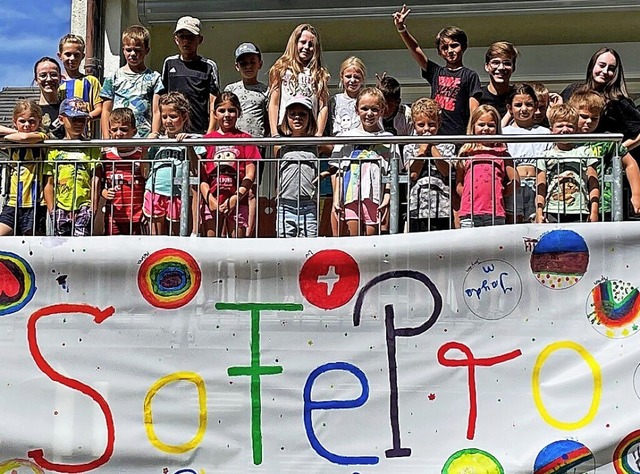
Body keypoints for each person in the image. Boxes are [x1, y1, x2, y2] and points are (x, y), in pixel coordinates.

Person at [393, 5, 482, 136]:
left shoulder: (470, 75)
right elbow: (415, 49)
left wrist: (472, 137)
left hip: (459, 136)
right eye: (445, 47)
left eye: (454, 46)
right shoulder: (435, 72)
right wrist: (401, 29)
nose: (450, 51)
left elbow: (474, 110)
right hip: (434, 134)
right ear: (440, 52)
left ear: (463, 47)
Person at [330, 87, 398, 236]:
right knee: (353, 238)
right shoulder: (345, 136)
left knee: (371, 239)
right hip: (350, 194)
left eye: (374, 109)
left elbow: (392, 173)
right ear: (357, 110)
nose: (369, 113)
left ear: (382, 111)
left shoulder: (389, 139)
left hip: (375, 196)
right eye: (364, 108)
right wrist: (336, 198)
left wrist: (387, 197)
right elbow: (339, 171)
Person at [568, 89, 640, 219]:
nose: (589, 121)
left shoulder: (605, 141)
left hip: (604, 206)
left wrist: (636, 195)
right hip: (571, 206)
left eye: (594, 118)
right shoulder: (563, 140)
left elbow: (630, 164)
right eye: (584, 117)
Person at [561, 47, 640, 159]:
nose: (605, 71)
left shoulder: (617, 100)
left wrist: (616, 151)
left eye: (611, 68)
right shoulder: (572, 90)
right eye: (602, 65)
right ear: (592, 66)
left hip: (601, 163)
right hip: (570, 155)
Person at [200, 92, 261, 238]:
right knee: (211, 246)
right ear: (215, 114)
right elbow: (201, 176)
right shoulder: (207, 139)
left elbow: (250, 174)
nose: (227, 115)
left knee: (236, 248)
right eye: (222, 110)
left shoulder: (246, 139)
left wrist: (235, 199)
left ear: (238, 112)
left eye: (231, 110)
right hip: (212, 201)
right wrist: (211, 201)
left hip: (238, 201)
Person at [224, 42, 268, 237]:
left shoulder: (266, 91)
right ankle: (228, 227)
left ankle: (249, 233)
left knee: (250, 189)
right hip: (232, 145)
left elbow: (269, 119)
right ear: (236, 66)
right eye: (243, 63)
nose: (248, 66)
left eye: (252, 61)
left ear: (260, 63)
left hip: (255, 146)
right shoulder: (231, 89)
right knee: (229, 186)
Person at [144, 92, 201, 236]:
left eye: (173, 116)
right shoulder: (156, 143)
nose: (168, 121)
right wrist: (144, 146)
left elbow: (197, 170)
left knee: (176, 236)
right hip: (155, 191)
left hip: (178, 194)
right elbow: (144, 172)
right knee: (155, 236)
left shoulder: (193, 140)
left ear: (184, 117)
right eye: (164, 117)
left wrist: (189, 146)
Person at [44, 98, 101, 236]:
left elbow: (96, 180)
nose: (79, 123)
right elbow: (48, 183)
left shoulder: (92, 148)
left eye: (82, 119)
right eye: (74, 119)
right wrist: (52, 210)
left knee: (81, 248)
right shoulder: (54, 149)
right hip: (60, 206)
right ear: (62, 119)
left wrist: (93, 208)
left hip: (84, 206)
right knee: (61, 248)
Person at [277, 95, 332, 238]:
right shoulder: (280, 144)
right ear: (286, 118)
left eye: (302, 114)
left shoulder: (317, 144)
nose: (297, 118)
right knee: (285, 247)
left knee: (309, 246)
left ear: (310, 118)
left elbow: (339, 156)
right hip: (285, 205)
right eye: (292, 114)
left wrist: (325, 174)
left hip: (309, 205)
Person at [535, 104, 599, 224]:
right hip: (552, 210)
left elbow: (593, 184)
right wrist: (539, 211)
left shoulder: (585, 152)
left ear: (575, 128)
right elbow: (540, 187)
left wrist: (594, 211)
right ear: (551, 129)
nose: (565, 129)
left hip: (579, 210)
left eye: (569, 126)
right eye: (560, 126)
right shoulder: (544, 155)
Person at [155, 16, 220, 135]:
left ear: (199, 39)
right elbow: (161, 99)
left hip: (199, 133)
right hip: (172, 132)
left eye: (190, 37)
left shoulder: (208, 66)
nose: (186, 41)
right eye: (182, 36)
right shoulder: (169, 63)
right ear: (176, 39)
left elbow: (213, 102)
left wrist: (210, 133)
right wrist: (157, 130)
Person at [456, 105, 518, 228]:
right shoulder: (466, 153)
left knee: (495, 246)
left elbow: (515, 181)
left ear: (497, 128)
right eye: (481, 125)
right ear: (473, 126)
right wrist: (469, 194)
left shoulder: (502, 153)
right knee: (470, 245)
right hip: (469, 212)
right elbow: (459, 184)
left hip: (495, 212)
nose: (486, 129)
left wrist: (501, 192)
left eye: (491, 125)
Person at [100, 25, 162, 138]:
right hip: (118, 137)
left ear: (146, 50)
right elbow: (106, 111)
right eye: (129, 50)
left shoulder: (154, 77)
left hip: (144, 138)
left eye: (137, 50)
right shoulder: (113, 77)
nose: (133, 54)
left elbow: (157, 111)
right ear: (123, 50)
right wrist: (106, 139)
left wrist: (154, 133)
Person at [268, 23, 330, 137]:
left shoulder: (319, 73)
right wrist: (274, 133)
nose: (306, 47)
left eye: (311, 44)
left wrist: (319, 134)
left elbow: (323, 106)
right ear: (295, 43)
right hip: (285, 132)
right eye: (303, 42)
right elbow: (274, 103)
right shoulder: (280, 68)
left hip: (309, 132)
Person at [502, 83, 551, 222]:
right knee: (514, 224)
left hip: (538, 186)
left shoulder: (545, 133)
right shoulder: (504, 133)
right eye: (518, 105)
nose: (524, 109)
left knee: (536, 223)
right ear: (509, 108)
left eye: (529, 104)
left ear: (536, 106)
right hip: (514, 186)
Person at [0, 100, 48, 236]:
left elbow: (24, 137)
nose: (27, 125)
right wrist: (14, 132)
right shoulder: (13, 138)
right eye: (22, 121)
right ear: (15, 121)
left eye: (32, 121)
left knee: (32, 243)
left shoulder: (42, 137)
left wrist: (8, 137)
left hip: (35, 203)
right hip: (13, 202)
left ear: (39, 121)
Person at [404, 98, 453, 232]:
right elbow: (413, 174)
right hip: (417, 208)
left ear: (439, 123)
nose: (427, 129)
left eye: (431, 124)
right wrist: (422, 150)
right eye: (421, 125)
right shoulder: (409, 147)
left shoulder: (448, 146)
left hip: (442, 208)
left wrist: (432, 147)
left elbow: (446, 171)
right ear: (414, 125)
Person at [101, 108, 146, 235]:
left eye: (124, 129)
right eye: (114, 130)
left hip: (137, 216)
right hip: (113, 217)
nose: (119, 133)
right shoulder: (106, 156)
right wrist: (104, 192)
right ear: (110, 131)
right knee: (113, 251)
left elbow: (148, 180)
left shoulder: (141, 154)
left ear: (134, 131)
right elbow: (99, 182)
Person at [57, 34, 102, 135]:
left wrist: (81, 119)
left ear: (83, 56)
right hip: (61, 138)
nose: (72, 58)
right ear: (60, 56)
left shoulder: (91, 81)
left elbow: (100, 109)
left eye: (76, 55)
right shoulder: (57, 83)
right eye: (68, 54)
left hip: (87, 139)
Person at [479, 41, 519, 121]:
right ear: (487, 67)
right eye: (495, 62)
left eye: (507, 63)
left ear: (513, 68)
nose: (501, 67)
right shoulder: (478, 96)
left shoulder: (518, 95)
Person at [328, 56, 366, 136]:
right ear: (341, 77)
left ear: (362, 78)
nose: (352, 80)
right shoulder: (333, 101)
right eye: (348, 76)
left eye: (357, 77)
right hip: (337, 146)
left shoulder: (366, 100)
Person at [33, 57, 64, 138]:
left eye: (53, 75)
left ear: (60, 78)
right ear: (36, 80)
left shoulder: (68, 109)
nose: (49, 79)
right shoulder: (30, 111)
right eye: (43, 75)